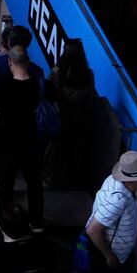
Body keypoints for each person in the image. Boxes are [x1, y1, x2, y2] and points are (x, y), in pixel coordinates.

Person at [0, 46, 44, 226]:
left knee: (5, 186)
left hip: (8, 143)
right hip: (31, 141)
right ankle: (36, 222)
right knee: (34, 184)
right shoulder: (37, 84)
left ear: (10, 62)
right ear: (27, 61)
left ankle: (4, 221)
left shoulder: (4, 86)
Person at [47, 38, 96, 188]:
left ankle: (53, 180)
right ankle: (72, 182)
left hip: (60, 118)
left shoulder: (57, 73)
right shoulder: (88, 74)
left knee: (56, 150)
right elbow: (90, 100)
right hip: (79, 120)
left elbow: (51, 96)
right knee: (76, 151)